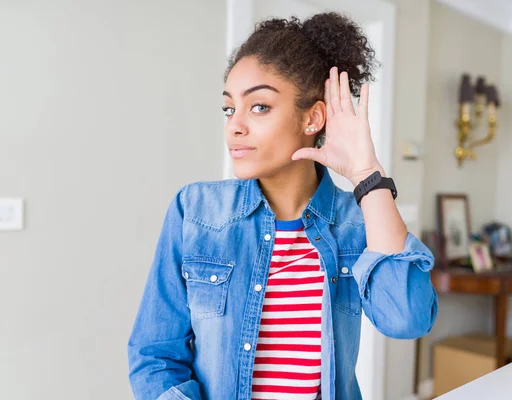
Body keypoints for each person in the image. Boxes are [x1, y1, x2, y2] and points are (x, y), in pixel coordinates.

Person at [128, 12, 438, 400]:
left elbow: (406, 319)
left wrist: (367, 175)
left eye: (258, 106)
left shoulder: (357, 223)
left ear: (312, 118)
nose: (235, 125)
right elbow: (154, 354)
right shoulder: (195, 211)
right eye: (229, 108)